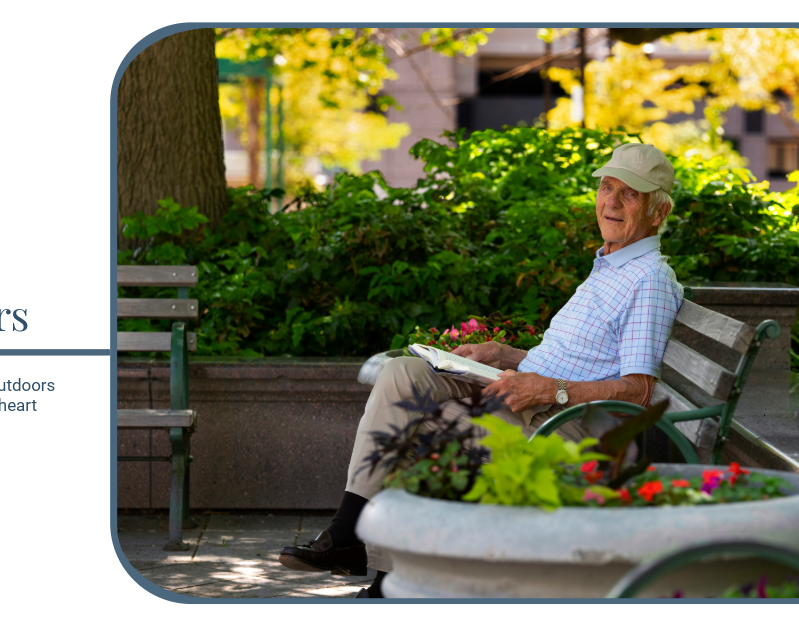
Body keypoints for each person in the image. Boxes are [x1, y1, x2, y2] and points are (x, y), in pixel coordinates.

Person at [278, 143, 685, 598]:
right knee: (404, 375)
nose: (610, 201)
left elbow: (638, 391)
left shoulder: (647, 279)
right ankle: (348, 534)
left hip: (562, 427)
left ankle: (391, 580)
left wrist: (553, 389)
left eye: (629, 195)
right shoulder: (610, 264)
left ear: (657, 211)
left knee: (422, 423)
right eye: (607, 187)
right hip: (532, 399)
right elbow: (575, 357)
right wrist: (505, 354)